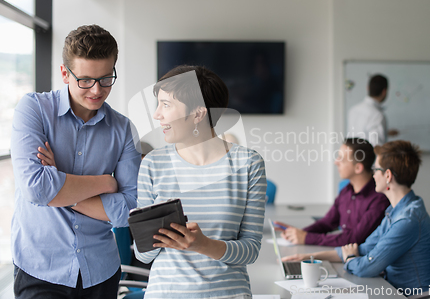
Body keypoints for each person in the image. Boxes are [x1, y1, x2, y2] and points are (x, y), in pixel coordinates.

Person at [10, 25, 142, 298]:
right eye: (85, 80)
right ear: (64, 73)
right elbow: (36, 189)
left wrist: (59, 183)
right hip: (40, 270)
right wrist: (105, 183)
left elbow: (129, 209)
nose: (96, 90)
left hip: (101, 271)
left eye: (106, 79)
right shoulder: (33, 109)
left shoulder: (124, 129)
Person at [134, 65, 267, 298]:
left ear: (198, 114)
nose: (157, 114)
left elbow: (251, 250)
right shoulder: (153, 163)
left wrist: (203, 245)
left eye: (166, 105)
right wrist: (152, 234)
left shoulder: (248, 163)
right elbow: (141, 254)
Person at [283, 141, 430, 293]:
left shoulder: (406, 220)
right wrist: (311, 257)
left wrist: (350, 258)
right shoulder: (395, 210)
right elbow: (364, 248)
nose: (373, 174)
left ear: (388, 175)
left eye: (375, 169)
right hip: (391, 288)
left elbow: (367, 267)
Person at [274, 138, 389, 246]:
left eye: (341, 159)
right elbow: (327, 223)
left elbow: (354, 239)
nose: (336, 162)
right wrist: (297, 233)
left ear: (358, 168)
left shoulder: (379, 199)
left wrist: (306, 237)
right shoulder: (346, 191)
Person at [347, 74, 398, 146]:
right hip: (368, 156)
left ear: (367, 88)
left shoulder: (353, 110)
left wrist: (385, 133)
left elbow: (360, 133)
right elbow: (377, 147)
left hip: (352, 155)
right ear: (384, 91)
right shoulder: (377, 115)